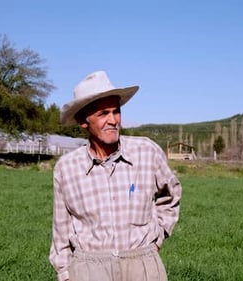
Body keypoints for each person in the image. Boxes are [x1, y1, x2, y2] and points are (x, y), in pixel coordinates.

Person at [49, 70, 182, 281]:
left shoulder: (146, 152)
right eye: (103, 114)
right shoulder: (67, 168)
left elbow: (172, 194)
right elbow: (61, 229)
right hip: (89, 269)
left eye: (116, 111)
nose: (113, 120)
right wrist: (65, 274)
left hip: (143, 266)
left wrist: (156, 241)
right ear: (84, 121)